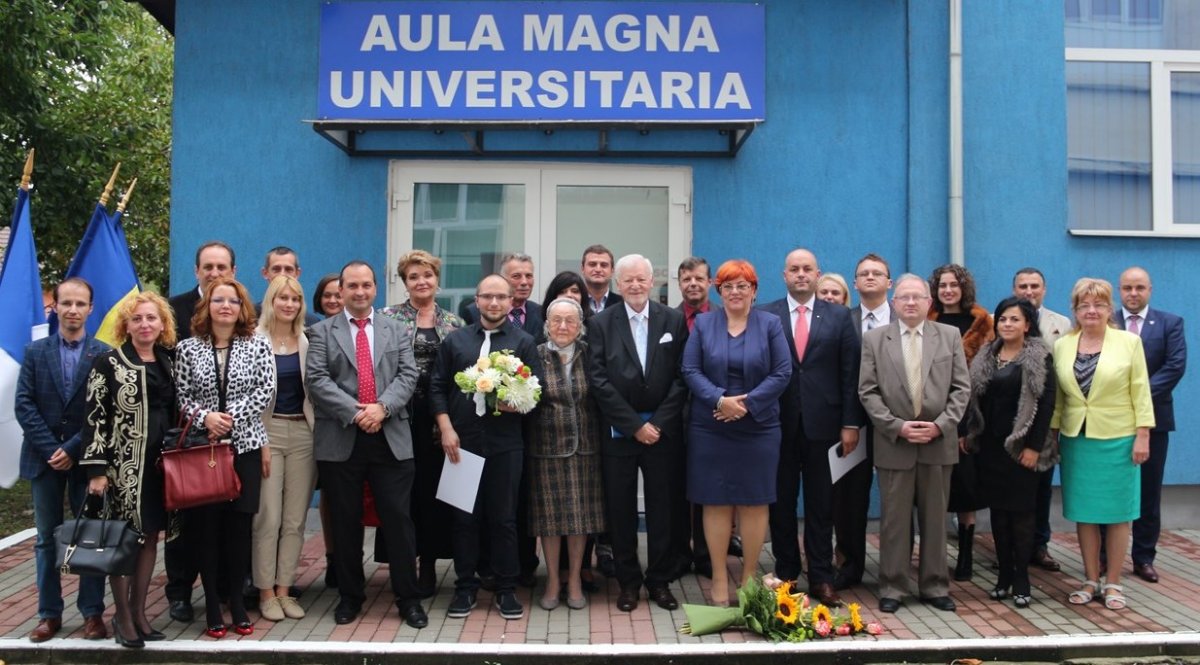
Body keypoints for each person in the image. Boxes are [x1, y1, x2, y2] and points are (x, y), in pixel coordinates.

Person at [305, 261, 427, 628]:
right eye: (352, 286)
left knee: (399, 522)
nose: (360, 292)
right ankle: (350, 596)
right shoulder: (322, 332)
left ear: (376, 289)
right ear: (340, 291)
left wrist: (383, 408)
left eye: (366, 285)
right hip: (342, 437)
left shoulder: (395, 330)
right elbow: (317, 379)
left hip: (389, 436)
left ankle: (409, 598)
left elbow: (409, 374)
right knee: (344, 522)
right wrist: (357, 412)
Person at [430, 274, 543, 621]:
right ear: (476, 300)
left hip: (506, 445)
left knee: (504, 519)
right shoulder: (456, 341)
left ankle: (506, 590)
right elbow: (436, 386)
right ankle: (465, 588)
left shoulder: (523, 343)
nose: (494, 303)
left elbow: (537, 395)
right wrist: (446, 429)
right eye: (487, 297)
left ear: (511, 302)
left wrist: (514, 401)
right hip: (460, 443)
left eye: (501, 298)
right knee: (464, 518)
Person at [859, 273, 969, 614]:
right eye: (904, 297)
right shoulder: (876, 339)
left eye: (916, 297)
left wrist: (940, 426)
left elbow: (962, 389)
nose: (910, 302)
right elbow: (868, 391)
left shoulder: (949, 336)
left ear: (928, 303)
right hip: (895, 443)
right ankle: (892, 585)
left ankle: (934, 586)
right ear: (894, 303)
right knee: (894, 521)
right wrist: (897, 427)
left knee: (936, 520)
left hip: (938, 442)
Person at [683, 259, 791, 606]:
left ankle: (747, 579)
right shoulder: (704, 324)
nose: (735, 292)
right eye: (727, 286)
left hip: (758, 428)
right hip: (711, 426)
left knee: (754, 501)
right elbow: (690, 368)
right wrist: (720, 399)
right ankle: (718, 578)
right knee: (714, 501)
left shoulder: (770, 324)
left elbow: (782, 372)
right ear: (719, 291)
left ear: (754, 291)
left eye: (742, 286)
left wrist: (745, 404)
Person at [588, 254, 689, 613]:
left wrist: (656, 424)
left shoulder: (672, 320)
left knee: (662, 508)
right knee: (621, 509)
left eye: (640, 279)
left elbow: (682, 377)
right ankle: (628, 583)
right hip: (620, 433)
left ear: (652, 282)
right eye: (627, 280)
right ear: (618, 284)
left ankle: (659, 581)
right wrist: (633, 425)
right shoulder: (601, 323)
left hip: (662, 434)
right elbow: (598, 379)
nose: (634, 285)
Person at [761, 249, 862, 607]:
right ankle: (787, 574)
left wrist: (851, 423)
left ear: (817, 274)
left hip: (826, 427)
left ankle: (821, 576)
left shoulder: (838, 317)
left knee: (821, 506)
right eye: (794, 269)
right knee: (782, 504)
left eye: (807, 269)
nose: (801, 274)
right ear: (784, 274)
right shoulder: (767, 315)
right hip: (778, 426)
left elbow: (850, 374)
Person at [174, 277, 275, 638]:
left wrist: (228, 417)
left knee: (239, 529)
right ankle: (213, 606)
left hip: (244, 448)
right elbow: (182, 396)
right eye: (218, 300)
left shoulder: (257, 345)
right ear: (207, 306)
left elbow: (266, 390)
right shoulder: (187, 348)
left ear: (242, 307)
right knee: (206, 531)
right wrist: (206, 419)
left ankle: (236, 602)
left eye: (233, 300)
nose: (226, 306)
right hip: (203, 452)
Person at [80, 292, 178, 648]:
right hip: (122, 471)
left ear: (162, 323)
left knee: (150, 538)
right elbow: (94, 419)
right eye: (137, 319)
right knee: (123, 542)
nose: (145, 324)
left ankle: (139, 612)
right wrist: (96, 470)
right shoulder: (108, 363)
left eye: (151, 318)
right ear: (126, 325)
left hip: (159, 469)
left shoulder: (169, 360)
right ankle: (121, 617)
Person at [16, 278, 110, 643]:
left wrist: (71, 449)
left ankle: (91, 614)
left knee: (90, 537)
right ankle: (48, 614)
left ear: (90, 308)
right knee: (45, 539)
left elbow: (102, 411)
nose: (73, 310)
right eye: (66, 303)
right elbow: (24, 404)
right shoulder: (34, 353)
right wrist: (50, 449)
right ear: (54, 307)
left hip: (85, 461)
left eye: (80, 304)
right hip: (43, 461)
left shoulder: (104, 354)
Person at [1053, 277, 1154, 611]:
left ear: (1110, 309)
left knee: (1118, 514)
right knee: (1085, 513)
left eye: (1098, 304)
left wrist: (1143, 433)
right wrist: (1053, 435)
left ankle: (1113, 582)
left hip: (1119, 438)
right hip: (1077, 439)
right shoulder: (1063, 345)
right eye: (1084, 305)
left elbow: (1141, 389)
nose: (1091, 310)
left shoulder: (1128, 342)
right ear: (1076, 310)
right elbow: (1059, 399)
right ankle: (1090, 578)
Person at [379, 250, 464, 598]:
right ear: (405, 282)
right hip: (399, 416)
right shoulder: (388, 319)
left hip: (441, 418)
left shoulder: (454, 323)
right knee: (401, 494)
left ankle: (429, 564)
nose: (421, 282)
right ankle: (403, 564)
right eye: (413, 277)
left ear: (436, 279)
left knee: (434, 494)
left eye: (427, 275)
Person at [961, 297, 1056, 608]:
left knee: (1022, 515)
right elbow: (973, 400)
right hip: (990, 449)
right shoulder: (987, 355)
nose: (1007, 324)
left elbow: (1045, 407)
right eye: (1002, 319)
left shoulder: (1040, 357)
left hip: (1020, 448)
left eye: (1015, 319)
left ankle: (1022, 579)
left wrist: (1032, 447)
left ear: (1027, 324)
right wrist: (968, 434)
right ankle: (1003, 577)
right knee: (999, 515)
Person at [164, 241, 236, 622]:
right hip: (183, 434)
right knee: (184, 519)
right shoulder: (172, 311)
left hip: (230, 437)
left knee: (224, 517)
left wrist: (224, 419)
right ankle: (178, 592)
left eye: (221, 266)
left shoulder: (242, 310)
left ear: (233, 271)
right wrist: (202, 417)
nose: (214, 273)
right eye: (207, 266)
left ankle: (224, 589)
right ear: (196, 271)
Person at [528, 297, 605, 611]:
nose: (562, 326)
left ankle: (574, 578)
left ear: (580, 325)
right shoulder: (535, 356)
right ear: (546, 325)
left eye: (570, 321)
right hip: (546, 448)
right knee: (550, 521)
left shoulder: (590, 354)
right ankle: (552, 580)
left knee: (579, 521)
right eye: (556, 320)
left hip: (586, 448)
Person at [1114, 266, 1186, 584]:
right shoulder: (1108, 322)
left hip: (1154, 422)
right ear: (1120, 290)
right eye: (1128, 288)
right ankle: (1106, 556)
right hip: (1112, 421)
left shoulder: (1170, 323)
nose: (1133, 293)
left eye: (1139, 287)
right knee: (1113, 489)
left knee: (1148, 492)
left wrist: (1136, 395)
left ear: (1150, 289)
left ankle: (1143, 558)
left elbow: (1174, 367)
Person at [252, 275, 316, 622]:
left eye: (295, 299)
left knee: (294, 520)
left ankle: (284, 590)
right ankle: (264, 592)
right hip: (268, 432)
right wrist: (259, 440)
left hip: (303, 433)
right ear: (271, 301)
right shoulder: (255, 341)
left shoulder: (307, 340)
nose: (289, 304)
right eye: (283, 298)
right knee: (268, 517)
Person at [928, 263, 993, 582]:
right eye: (942, 285)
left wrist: (973, 425)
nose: (948, 290)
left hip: (970, 416)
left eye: (954, 285)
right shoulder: (929, 319)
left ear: (964, 288)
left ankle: (966, 554)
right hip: (932, 415)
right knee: (935, 491)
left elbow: (990, 373)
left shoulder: (982, 323)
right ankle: (934, 556)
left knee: (967, 488)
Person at [833, 253, 893, 590]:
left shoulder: (905, 318)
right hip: (853, 423)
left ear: (889, 281)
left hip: (896, 423)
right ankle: (849, 565)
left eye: (877, 273)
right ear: (854, 283)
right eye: (863, 274)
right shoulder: (842, 319)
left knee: (897, 498)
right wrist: (848, 422)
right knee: (849, 498)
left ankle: (894, 569)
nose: (870, 277)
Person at [1012, 267, 1072, 572]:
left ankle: (1039, 544)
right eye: (1022, 285)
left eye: (1035, 285)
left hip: (1047, 416)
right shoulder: (1008, 319)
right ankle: (1010, 548)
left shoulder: (1061, 324)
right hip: (1012, 418)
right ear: (1014, 289)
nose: (1028, 291)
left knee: (1042, 485)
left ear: (1044, 290)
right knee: (1011, 486)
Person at [675, 256, 715, 578]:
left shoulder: (723, 317)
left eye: (699, 279)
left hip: (712, 416)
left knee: (705, 489)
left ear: (710, 283)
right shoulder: (667, 319)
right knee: (675, 489)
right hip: (675, 416)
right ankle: (678, 554)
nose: (693, 284)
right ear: (679, 284)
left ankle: (705, 554)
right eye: (687, 279)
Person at [310, 271, 343, 588]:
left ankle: (339, 561)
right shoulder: (310, 331)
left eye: (338, 293)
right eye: (327, 295)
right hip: (311, 425)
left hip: (345, 425)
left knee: (336, 496)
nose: (333, 300)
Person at [461, 252, 544, 337]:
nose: (524, 282)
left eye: (529, 276)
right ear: (502, 279)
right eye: (516, 276)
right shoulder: (475, 312)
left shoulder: (541, 313)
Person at [256, 246, 321, 326]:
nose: (282, 274)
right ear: (265, 273)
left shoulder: (311, 323)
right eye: (276, 269)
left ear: (297, 274)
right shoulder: (249, 317)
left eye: (288, 269)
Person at [581, 244, 623, 314]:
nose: (598, 269)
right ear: (582, 269)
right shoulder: (575, 302)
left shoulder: (623, 304)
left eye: (604, 265)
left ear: (612, 271)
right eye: (592, 264)